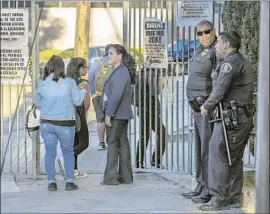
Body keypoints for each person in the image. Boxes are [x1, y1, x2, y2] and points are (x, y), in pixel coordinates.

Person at [199, 31, 255, 211]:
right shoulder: (238, 60)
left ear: (226, 45)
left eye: (218, 44)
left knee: (219, 156)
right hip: (239, 117)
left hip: (231, 118)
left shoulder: (230, 63)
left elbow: (220, 89)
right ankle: (233, 197)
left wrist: (206, 106)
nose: (215, 46)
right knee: (233, 157)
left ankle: (219, 199)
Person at [34, 55, 86, 191]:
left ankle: (51, 182)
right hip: (66, 124)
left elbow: (37, 103)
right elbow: (78, 101)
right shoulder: (69, 82)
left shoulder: (42, 82)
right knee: (68, 151)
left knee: (49, 152)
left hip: (47, 123)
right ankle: (69, 181)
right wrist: (83, 91)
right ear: (62, 67)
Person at [183, 20, 217, 203]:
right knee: (198, 148)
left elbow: (219, 80)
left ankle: (208, 190)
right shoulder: (198, 50)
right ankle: (200, 184)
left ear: (214, 31)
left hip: (205, 107)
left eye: (207, 32)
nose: (203, 36)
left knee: (207, 149)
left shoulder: (216, 51)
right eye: (200, 33)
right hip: (195, 107)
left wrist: (208, 103)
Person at [101, 44, 134, 185]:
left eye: (111, 53)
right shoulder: (118, 70)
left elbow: (116, 95)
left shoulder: (121, 72)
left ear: (119, 56)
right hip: (121, 114)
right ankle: (125, 177)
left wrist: (109, 114)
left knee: (113, 144)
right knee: (122, 143)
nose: (108, 55)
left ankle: (110, 177)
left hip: (117, 114)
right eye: (108, 53)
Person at [134, 67, 166, 169]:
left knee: (144, 136)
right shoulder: (152, 73)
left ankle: (139, 162)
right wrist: (161, 83)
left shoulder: (141, 72)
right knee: (162, 134)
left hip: (143, 108)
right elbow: (155, 91)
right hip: (150, 109)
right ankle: (155, 160)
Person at [65, 57, 91, 179]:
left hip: (68, 114)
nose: (86, 69)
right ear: (79, 69)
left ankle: (73, 170)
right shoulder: (83, 83)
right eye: (85, 67)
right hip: (79, 113)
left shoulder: (66, 81)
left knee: (74, 142)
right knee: (84, 143)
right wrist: (83, 115)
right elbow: (87, 103)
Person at [88, 44, 113, 150]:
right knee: (111, 117)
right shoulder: (115, 62)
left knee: (100, 118)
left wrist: (93, 92)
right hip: (111, 95)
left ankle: (101, 143)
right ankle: (111, 141)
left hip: (98, 94)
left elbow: (90, 78)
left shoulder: (97, 62)